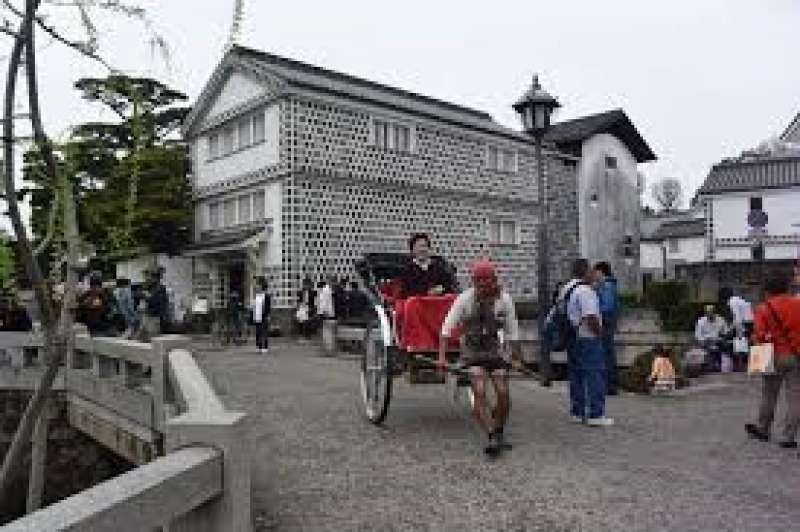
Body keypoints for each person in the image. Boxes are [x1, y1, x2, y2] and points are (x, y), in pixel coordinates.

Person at [438, 260, 521, 457]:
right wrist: (441, 358)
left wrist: (517, 358)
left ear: (494, 281)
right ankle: (491, 435)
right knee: (480, 390)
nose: (483, 286)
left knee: (503, 392)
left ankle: (499, 430)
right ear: (473, 282)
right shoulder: (465, 299)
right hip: (472, 351)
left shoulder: (505, 300)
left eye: (487, 282)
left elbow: (512, 332)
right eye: (478, 282)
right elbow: (446, 329)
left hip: (494, 350)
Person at [745, 273, 800, 449]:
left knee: (769, 395)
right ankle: (788, 437)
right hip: (795, 354)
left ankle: (763, 429)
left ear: (768, 290)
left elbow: (760, 336)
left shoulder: (764, 308)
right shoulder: (797, 304)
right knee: (795, 397)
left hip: (772, 355)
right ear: (786, 287)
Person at [562, 258, 613, 426]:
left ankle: (577, 411)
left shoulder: (567, 288)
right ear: (585, 271)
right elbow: (590, 316)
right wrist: (600, 333)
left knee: (576, 374)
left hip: (571, 336)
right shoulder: (585, 291)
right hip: (588, 337)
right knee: (595, 373)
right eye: (591, 270)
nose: (593, 273)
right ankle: (596, 414)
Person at [593, 262, 620, 395]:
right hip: (608, 323)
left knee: (606, 354)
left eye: (596, 272)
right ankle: (609, 384)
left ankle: (609, 385)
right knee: (606, 353)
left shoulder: (607, 286)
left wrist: (596, 313)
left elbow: (607, 307)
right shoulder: (607, 286)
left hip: (606, 323)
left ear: (601, 272)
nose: (594, 275)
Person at [401, 233, 455, 298]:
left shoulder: (440, 266)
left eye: (424, 246)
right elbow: (407, 292)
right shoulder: (407, 270)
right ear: (412, 250)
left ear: (429, 248)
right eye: (418, 247)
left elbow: (450, 286)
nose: (421, 249)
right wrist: (427, 293)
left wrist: (443, 289)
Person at [694, 305, 729, 371]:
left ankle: (720, 366)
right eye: (708, 313)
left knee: (724, 345)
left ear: (714, 312)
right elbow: (698, 335)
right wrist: (705, 341)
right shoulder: (701, 321)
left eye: (711, 312)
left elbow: (726, 332)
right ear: (705, 313)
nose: (710, 314)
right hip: (706, 342)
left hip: (718, 341)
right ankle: (711, 366)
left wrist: (721, 338)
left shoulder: (721, 320)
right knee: (707, 347)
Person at [143, 267, 169, 339]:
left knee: (154, 336)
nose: (148, 278)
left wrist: (164, 314)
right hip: (150, 314)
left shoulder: (159, 288)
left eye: (150, 276)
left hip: (154, 315)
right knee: (150, 335)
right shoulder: (148, 287)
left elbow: (163, 302)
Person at [252, 277, 272, 354]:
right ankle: (258, 346)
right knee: (258, 332)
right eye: (256, 285)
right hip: (257, 316)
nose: (256, 287)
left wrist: (268, 316)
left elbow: (268, 307)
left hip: (264, 316)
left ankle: (265, 346)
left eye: (258, 285)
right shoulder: (256, 296)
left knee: (264, 332)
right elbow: (254, 306)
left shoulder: (266, 296)